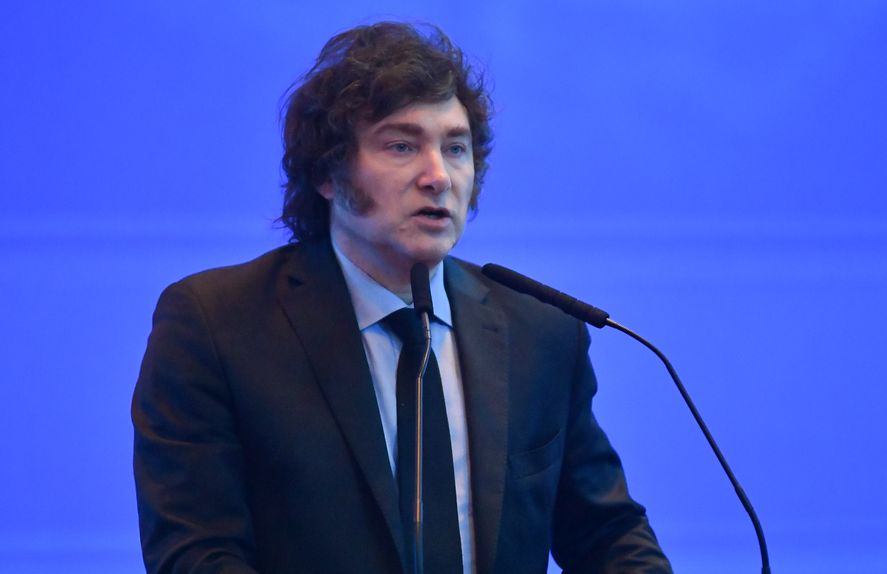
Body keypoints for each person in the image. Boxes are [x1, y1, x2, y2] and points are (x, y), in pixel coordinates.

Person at [132, 21, 672, 574]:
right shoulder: (218, 326)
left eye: (456, 148)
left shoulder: (539, 331)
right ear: (327, 172)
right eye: (402, 146)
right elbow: (196, 553)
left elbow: (607, 534)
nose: (439, 176)